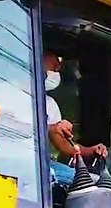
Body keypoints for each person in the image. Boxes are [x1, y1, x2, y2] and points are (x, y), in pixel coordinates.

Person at [42, 51, 106, 186]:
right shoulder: (2, 91)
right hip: (3, 165)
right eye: (56, 57)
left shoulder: (49, 104)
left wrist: (92, 150)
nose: (59, 66)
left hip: (42, 166)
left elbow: (64, 145)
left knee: (93, 183)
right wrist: (49, 128)